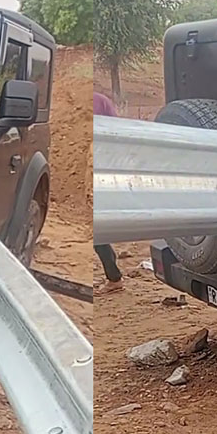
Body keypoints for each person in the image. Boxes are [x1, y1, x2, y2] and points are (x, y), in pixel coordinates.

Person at [93, 91, 123, 292]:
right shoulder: (101, 101)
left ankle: (114, 277)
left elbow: (116, 132)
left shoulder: (100, 101)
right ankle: (113, 275)